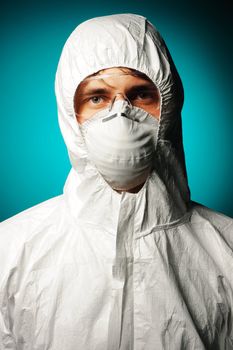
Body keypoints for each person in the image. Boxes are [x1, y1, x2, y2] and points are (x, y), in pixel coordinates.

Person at [0, 13, 232, 349]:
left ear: (168, 107)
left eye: (140, 95)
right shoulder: (10, 251)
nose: (121, 113)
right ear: (70, 113)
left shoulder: (226, 250)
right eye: (97, 98)